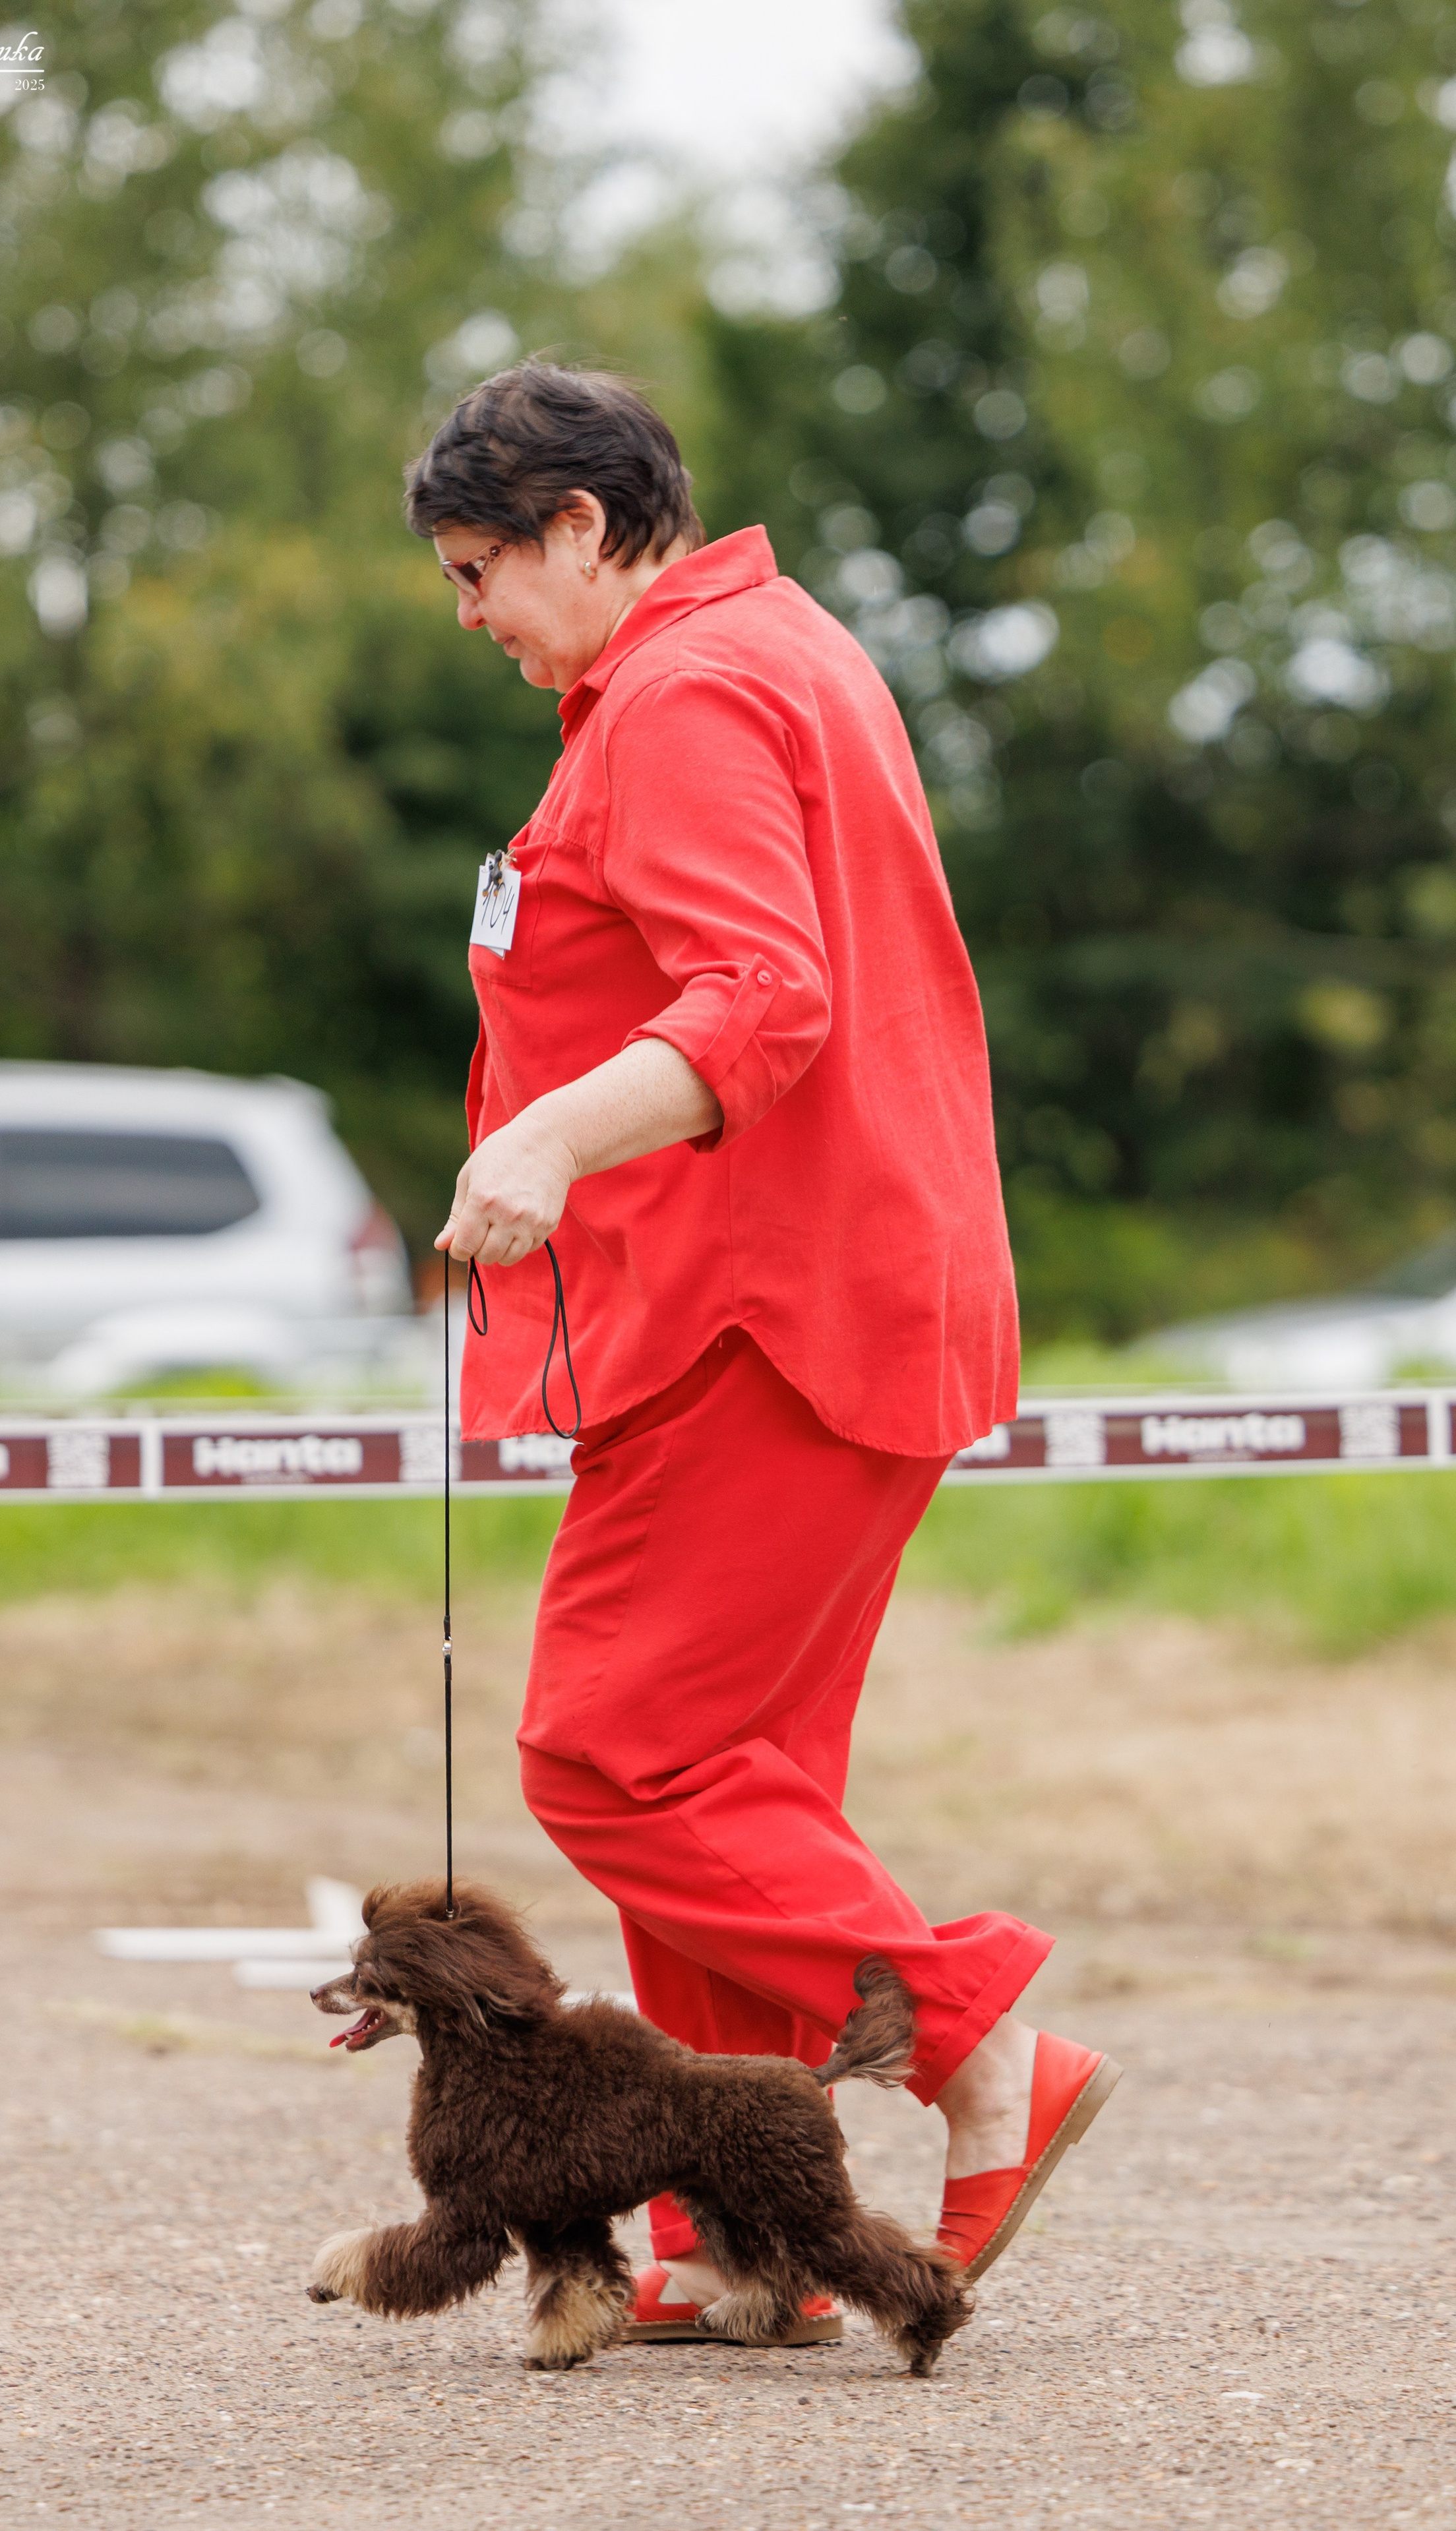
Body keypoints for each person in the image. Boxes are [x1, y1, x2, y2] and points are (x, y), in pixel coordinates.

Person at [410, 361, 1118, 2342]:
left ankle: (979, 2045)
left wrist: (548, 1135)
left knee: (611, 1754)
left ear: (578, 525)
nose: (469, 615)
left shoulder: (687, 690)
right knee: (730, 1784)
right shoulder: (778, 644)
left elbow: (764, 992)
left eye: (477, 570)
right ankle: (747, 2239)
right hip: (842, 1296)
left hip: (762, 1312)